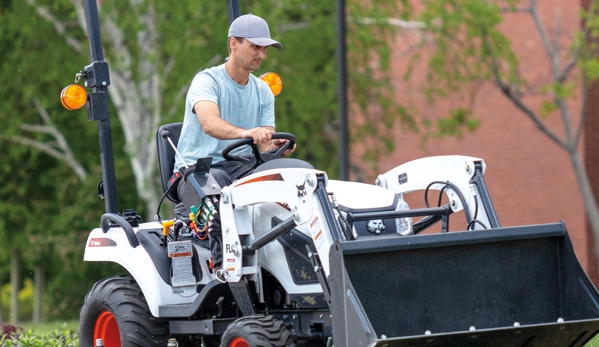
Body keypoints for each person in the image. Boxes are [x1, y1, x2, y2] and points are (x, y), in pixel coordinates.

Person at [174, 13, 294, 198]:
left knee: (288, 183)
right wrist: (245, 133)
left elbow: (264, 147)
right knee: (221, 187)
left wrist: (276, 146)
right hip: (197, 171)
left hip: (239, 168)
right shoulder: (207, 81)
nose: (261, 55)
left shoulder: (264, 91)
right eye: (255, 47)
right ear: (233, 44)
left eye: (265, 49)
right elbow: (209, 123)